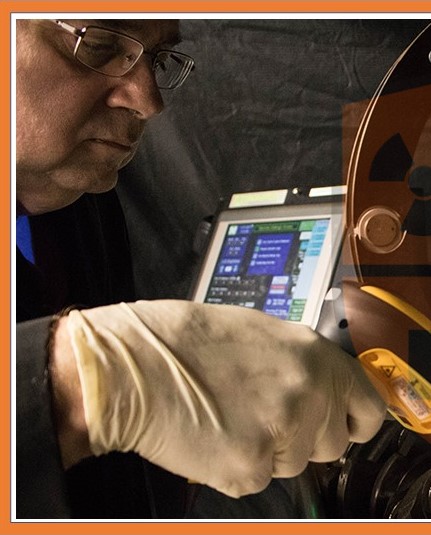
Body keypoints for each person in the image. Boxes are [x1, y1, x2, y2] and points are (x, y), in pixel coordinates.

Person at [14, 18, 386, 518]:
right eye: (99, 43)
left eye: (158, 61)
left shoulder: (81, 205)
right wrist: (75, 383)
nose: (148, 101)